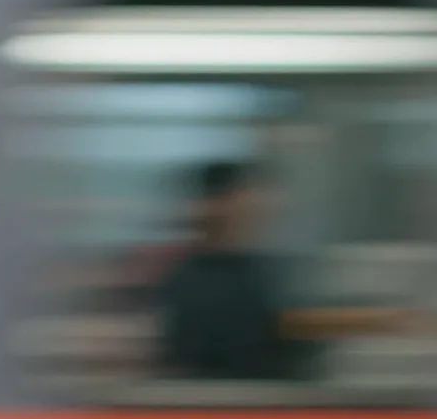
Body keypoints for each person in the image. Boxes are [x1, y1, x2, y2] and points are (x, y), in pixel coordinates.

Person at [153, 161, 408, 381]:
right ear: (217, 204)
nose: (264, 207)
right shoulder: (195, 279)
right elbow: (257, 333)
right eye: (249, 195)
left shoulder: (264, 268)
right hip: (226, 417)